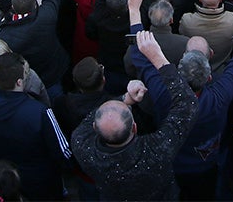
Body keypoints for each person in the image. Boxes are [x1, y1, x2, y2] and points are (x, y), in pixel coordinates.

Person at [72, 29, 199, 201]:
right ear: (134, 127)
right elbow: (187, 103)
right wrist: (157, 58)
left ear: (94, 127)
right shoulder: (156, 151)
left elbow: (92, 118)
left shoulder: (82, 146)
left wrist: (125, 99)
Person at [0, 51, 71, 201]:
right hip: (42, 182)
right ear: (19, 82)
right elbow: (63, 152)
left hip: (5, 179)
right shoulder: (40, 112)